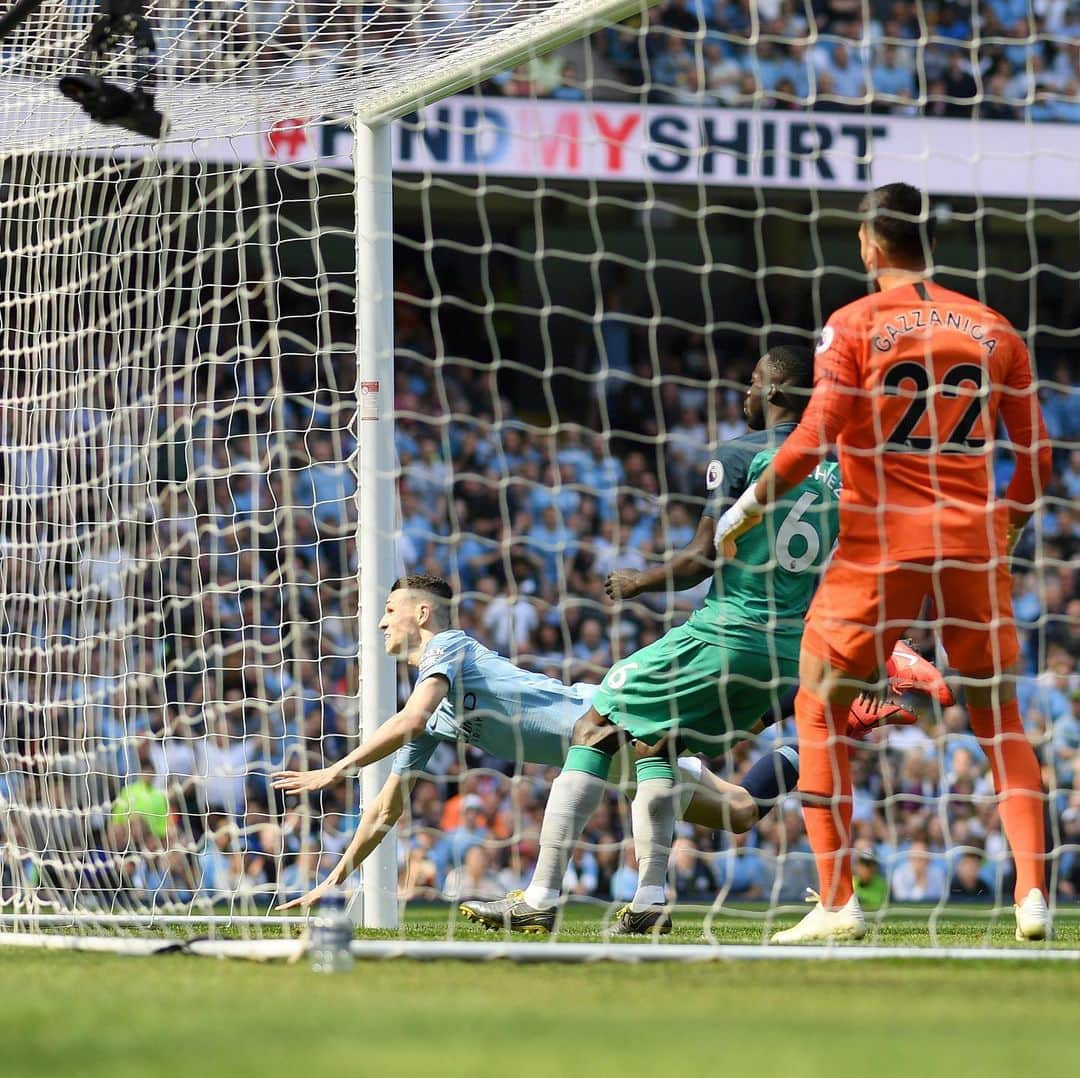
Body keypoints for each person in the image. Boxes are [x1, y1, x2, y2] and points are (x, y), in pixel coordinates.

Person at [462, 348, 945, 936]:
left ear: (773, 393)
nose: (743, 394)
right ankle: (650, 900)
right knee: (655, 746)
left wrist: (639, 580)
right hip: (789, 650)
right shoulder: (844, 467)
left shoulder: (744, 456)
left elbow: (700, 558)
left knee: (597, 725)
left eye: (751, 381)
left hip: (727, 631)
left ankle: (539, 897)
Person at [715, 182, 1053, 944]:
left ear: (868, 243)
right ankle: (1033, 894)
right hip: (971, 543)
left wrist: (744, 509)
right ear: (926, 240)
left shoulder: (854, 324)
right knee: (1000, 719)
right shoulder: (995, 328)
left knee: (818, 707)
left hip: (881, 547)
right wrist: (1009, 527)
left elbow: (812, 437)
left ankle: (837, 901)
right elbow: (1038, 458)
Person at [271, 574, 803, 911]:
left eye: (390, 610)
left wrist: (334, 770)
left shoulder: (450, 648)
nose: (382, 620)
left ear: (421, 614)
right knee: (737, 811)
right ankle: (804, 743)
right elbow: (387, 807)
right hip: (604, 759)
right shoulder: (437, 709)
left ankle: (818, 690)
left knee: (729, 729)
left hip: (609, 719)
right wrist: (334, 880)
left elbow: (409, 720)